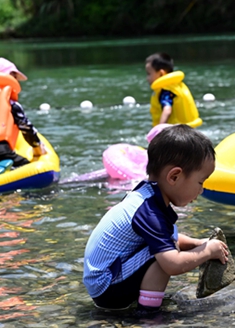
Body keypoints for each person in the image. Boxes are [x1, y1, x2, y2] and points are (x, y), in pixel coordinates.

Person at [83, 124, 227, 311]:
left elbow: (167, 236)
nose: (201, 190)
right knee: (165, 253)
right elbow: (173, 264)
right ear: (174, 177)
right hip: (106, 288)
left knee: (166, 245)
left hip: (104, 281)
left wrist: (197, 243)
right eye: (200, 182)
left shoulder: (147, 196)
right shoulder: (149, 211)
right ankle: (149, 315)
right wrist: (207, 252)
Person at [145, 52, 202, 128]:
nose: (147, 78)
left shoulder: (166, 90)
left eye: (149, 74)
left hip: (177, 132)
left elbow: (167, 110)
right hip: (188, 129)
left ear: (161, 73)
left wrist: (159, 130)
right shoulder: (177, 86)